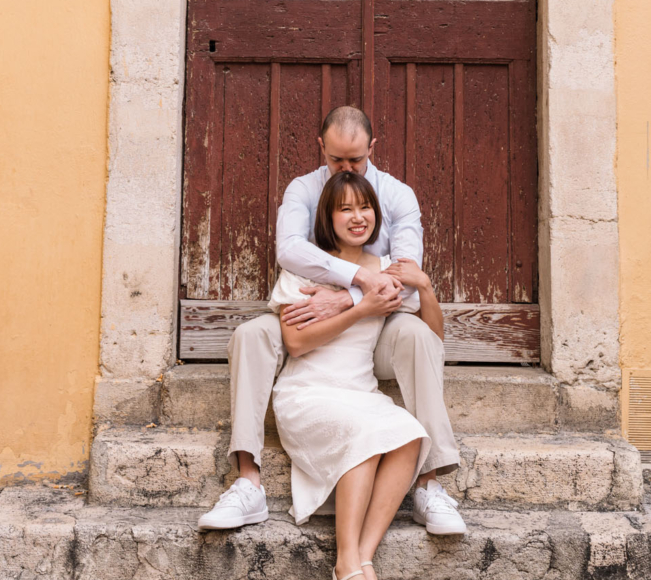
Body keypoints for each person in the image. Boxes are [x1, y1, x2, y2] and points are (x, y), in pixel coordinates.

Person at [198, 105, 466, 536]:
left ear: (372, 149)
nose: (345, 167)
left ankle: (430, 483)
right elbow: (290, 251)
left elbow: (404, 277)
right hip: (304, 309)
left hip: (372, 327)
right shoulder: (303, 190)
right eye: (335, 159)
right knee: (250, 335)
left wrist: (343, 299)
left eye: (355, 160)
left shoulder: (397, 196)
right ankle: (247, 481)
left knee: (417, 336)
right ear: (320, 147)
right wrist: (357, 281)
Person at [270, 169, 441, 580]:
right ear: (327, 217)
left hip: (359, 392)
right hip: (308, 393)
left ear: (377, 214)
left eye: (364, 207)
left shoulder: (387, 273)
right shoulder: (303, 267)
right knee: (364, 434)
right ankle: (347, 566)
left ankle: (357, 564)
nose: (357, 216)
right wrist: (361, 306)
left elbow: (434, 338)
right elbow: (296, 342)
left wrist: (423, 287)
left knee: (410, 434)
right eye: (344, 208)